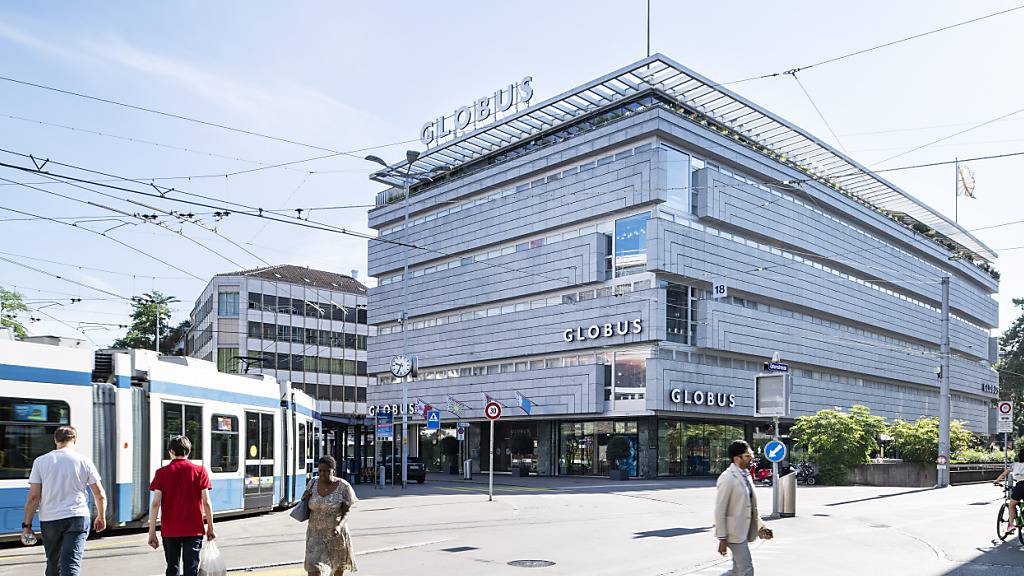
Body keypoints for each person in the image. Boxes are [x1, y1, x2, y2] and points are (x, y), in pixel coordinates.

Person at [21, 425, 107, 576]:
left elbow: (33, 497)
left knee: (53, 564)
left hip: (50, 520)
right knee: (71, 565)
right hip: (77, 517)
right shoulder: (84, 461)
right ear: (74, 439)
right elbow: (99, 493)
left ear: (55, 440)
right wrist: (101, 516)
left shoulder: (40, 461)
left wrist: (26, 525)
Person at [148, 435, 215, 576]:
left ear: (171, 451)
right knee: (191, 570)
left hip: (170, 530)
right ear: (188, 451)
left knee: (172, 568)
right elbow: (207, 502)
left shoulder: (161, 473)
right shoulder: (200, 471)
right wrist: (210, 527)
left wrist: (152, 532)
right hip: (194, 530)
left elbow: (155, 504)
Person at [714, 440, 773, 576]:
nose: (751, 458)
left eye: (751, 455)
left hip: (743, 531)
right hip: (733, 534)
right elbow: (720, 510)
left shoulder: (745, 475)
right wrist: (722, 538)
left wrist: (761, 528)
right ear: (736, 458)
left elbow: (749, 507)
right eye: (747, 456)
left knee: (736, 571)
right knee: (747, 570)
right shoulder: (727, 478)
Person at [303, 455, 359, 575]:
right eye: (320, 471)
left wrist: (339, 526)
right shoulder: (312, 483)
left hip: (336, 534)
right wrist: (304, 497)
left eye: (326, 471)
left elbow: (347, 512)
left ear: (333, 470)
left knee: (337, 570)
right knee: (314, 569)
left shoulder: (344, 486)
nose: (322, 474)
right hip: (315, 534)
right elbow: (304, 502)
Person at [993, 447, 1024, 536]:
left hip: (1020, 486)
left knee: (1012, 505)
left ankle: (1010, 526)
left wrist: (996, 481)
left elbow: (1004, 474)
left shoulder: (1014, 465)